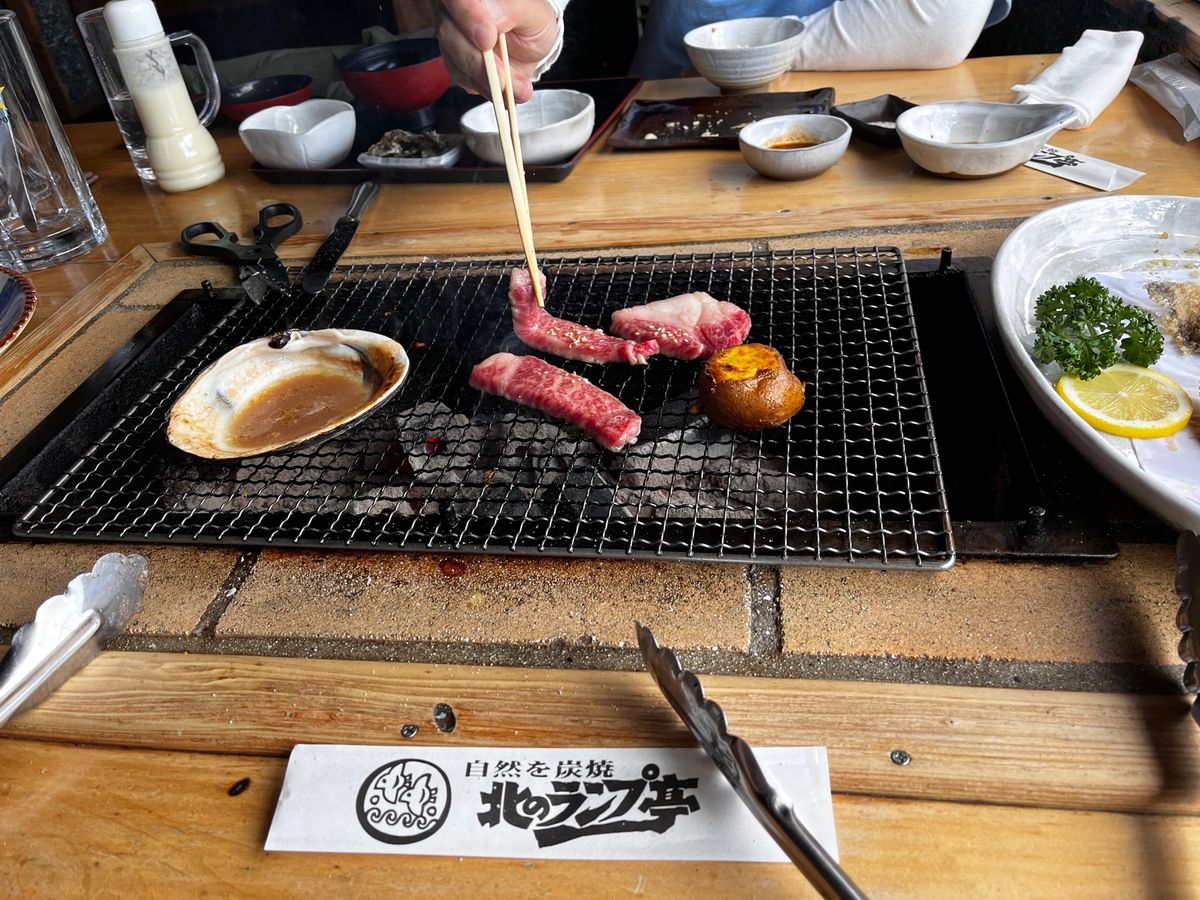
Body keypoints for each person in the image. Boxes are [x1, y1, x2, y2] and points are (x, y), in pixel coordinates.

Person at [436, 0, 1012, 101]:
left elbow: (938, 20)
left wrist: (740, 54)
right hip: (666, 99)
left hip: (863, 101)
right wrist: (534, 13)